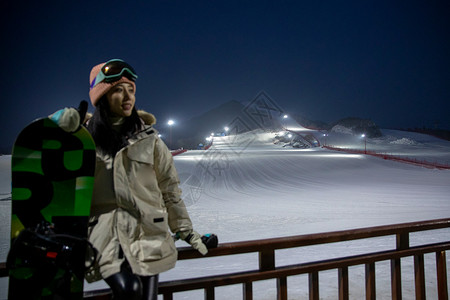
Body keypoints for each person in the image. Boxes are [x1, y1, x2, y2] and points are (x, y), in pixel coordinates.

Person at [51, 59, 216, 300]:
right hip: (106, 236)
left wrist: (185, 231)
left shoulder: (150, 140)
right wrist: (59, 122)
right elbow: (46, 149)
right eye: (118, 90)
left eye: (131, 90)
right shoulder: (84, 138)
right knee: (130, 290)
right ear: (102, 97)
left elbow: (170, 190)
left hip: (149, 234)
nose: (128, 97)